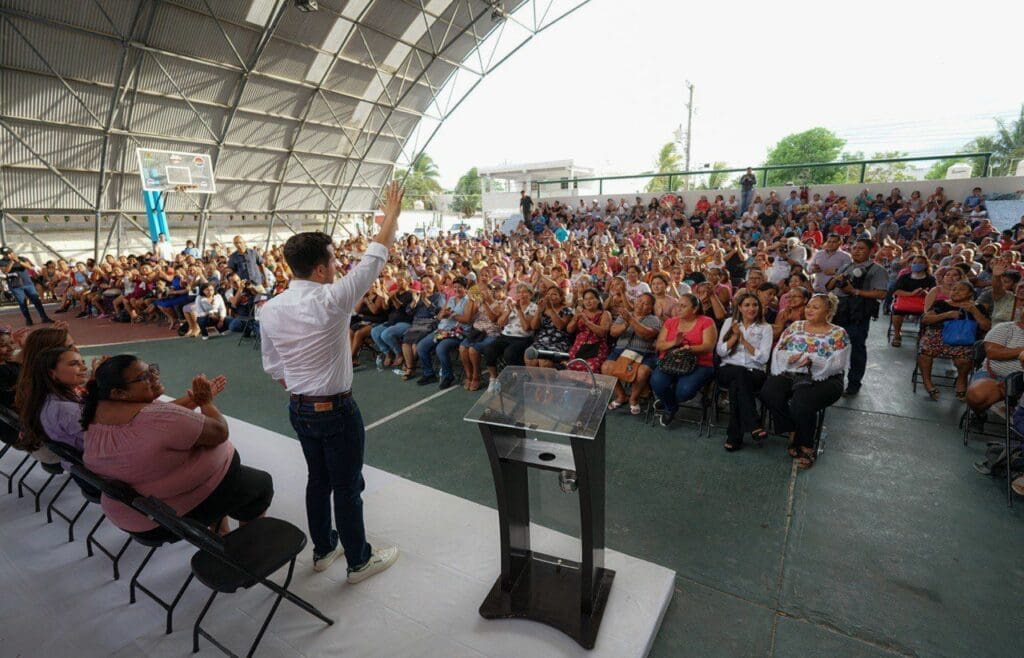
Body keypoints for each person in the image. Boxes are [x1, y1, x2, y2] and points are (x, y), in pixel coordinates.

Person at [259, 182, 404, 581]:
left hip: (299, 408)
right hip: (336, 409)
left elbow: (274, 367)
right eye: (335, 262)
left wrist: (302, 390)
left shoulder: (269, 310)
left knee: (317, 480)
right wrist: (391, 213)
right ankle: (359, 559)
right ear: (321, 269)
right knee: (347, 486)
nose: (340, 267)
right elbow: (377, 256)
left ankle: (324, 549)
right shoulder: (332, 299)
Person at [82, 356, 272, 541]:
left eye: (152, 370)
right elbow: (219, 431)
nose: (154, 376)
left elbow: (167, 416)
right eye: (144, 377)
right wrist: (206, 403)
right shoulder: (156, 419)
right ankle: (247, 549)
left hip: (136, 514)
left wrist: (196, 400)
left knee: (237, 487)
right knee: (260, 485)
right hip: (162, 521)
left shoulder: (100, 411)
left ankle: (219, 530)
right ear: (119, 393)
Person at [760, 294, 850, 469]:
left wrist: (813, 361)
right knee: (768, 392)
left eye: (816, 307)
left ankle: (806, 445)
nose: (809, 310)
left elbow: (839, 364)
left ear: (828, 311)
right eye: (809, 306)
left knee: (802, 401)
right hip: (792, 371)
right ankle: (793, 428)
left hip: (827, 379)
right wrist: (788, 357)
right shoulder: (796, 326)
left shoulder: (838, 333)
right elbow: (780, 349)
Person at [827, 238, 888, 395]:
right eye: (854, 248)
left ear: (870, 251)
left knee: (857, 349)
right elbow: (829, 287)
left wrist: (855, 291)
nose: (857, 251)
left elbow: (881, 294)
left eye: (861, 248)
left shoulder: (877, 270)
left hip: (859, 313)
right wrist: (836, 278)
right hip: (840, 311)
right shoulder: (846, 266)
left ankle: (854, 383)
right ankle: (831, 378)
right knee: (833, 346)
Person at [716, 292, 773, 451]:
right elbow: (720, 352)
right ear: (739, 307)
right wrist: (735, 337)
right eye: (747, 305)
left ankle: (734, 436)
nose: (752, 308)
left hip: (754, 372)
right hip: (727, 370)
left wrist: (744, 341)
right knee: (739, 375)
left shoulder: (765, 328)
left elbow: (763, 359)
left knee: (738, 385)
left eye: (755, 305)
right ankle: (753, 424)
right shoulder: (729, 322)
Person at [651, 293, 718, 427]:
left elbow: (709, 346)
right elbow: (659, 345)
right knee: (657, 382)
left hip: (700, 363)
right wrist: (674, 343)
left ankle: (668, 402)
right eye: (677, 305)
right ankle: (670, 406)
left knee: (684, 391)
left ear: (694, 309)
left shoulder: (706, 321)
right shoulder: (671, 322)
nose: (678, 309)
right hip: (670, 361)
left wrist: (688, 349)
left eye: (683, 306)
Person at [917, 280, 990, 400]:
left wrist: (974, 311)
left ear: (970, 293)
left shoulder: (978, 307)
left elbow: (986, 327)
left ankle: (961, 381)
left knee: (965, 359)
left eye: (961, 289)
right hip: (937, 336)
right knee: (925, 350)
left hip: (964, 340)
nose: (956, 292)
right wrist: (946, 315)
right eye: (954, 289)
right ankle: (927, 382)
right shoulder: (942, 304)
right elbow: (925, 319)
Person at [602, 292, 660, 415]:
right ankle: (621, 395)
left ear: (650, 308)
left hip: (644, 352)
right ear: (634, 302)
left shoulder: (654, 320)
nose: (640, 304)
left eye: (645, 303)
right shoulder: (624, 316)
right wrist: (626, 323)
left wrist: (631, 320)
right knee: (605, 367)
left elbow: (646, 335)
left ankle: (633, 398)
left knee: (642, 372)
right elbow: (613, 332)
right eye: (639, 301)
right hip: (621, 350)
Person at [415, 276, 474, 388]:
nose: (456, 289)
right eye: (455, 287)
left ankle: (448, 376)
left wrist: (451, 315)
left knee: (441, 348)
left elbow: (467, 320)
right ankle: (429, 373)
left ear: (465, 288)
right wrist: (442, 314)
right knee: (421, 346)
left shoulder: (469, 301)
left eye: (460, 287)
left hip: (458, 333)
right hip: (442, 330)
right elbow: (440, 315)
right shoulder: (451, 299)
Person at [482, 283, 537, 391]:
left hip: (523, 338)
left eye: (525, 292)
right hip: (506, 335)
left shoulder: (534, 307)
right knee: (488, 350)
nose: (522, 294)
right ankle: (493, 379)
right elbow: (500, 323)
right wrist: (510, 311)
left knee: (509, 353)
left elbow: (527, 328)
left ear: (530, 295)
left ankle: (515, 379)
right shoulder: (512, 305)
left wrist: (520, 311)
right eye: (519, 292)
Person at [889, 254, 937, 347]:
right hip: (905, 301)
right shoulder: (904, 277)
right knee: (897, 312)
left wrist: (926, 293)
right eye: (914, 263)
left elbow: (934, 292)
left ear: (926, 265)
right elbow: (896, 291)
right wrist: (912, 293)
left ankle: (922, 335)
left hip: (923, 303)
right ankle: (897, 334)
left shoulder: (930, 278)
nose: (916, 264)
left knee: (929, 313)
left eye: (920, 263)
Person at [0, 247, 53, 326]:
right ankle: (28, 320)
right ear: (3, 255)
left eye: (9, 253)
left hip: (27, 283)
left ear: (12, 252)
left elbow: (30, 267)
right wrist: (11, 261)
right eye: (6, 254)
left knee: (36, 300)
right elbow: (6, 271)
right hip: (15, 285)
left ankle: (44, 317)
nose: (8, 255)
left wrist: (18, 261)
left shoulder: (22, 258)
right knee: (22, 303)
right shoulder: (2, 262)